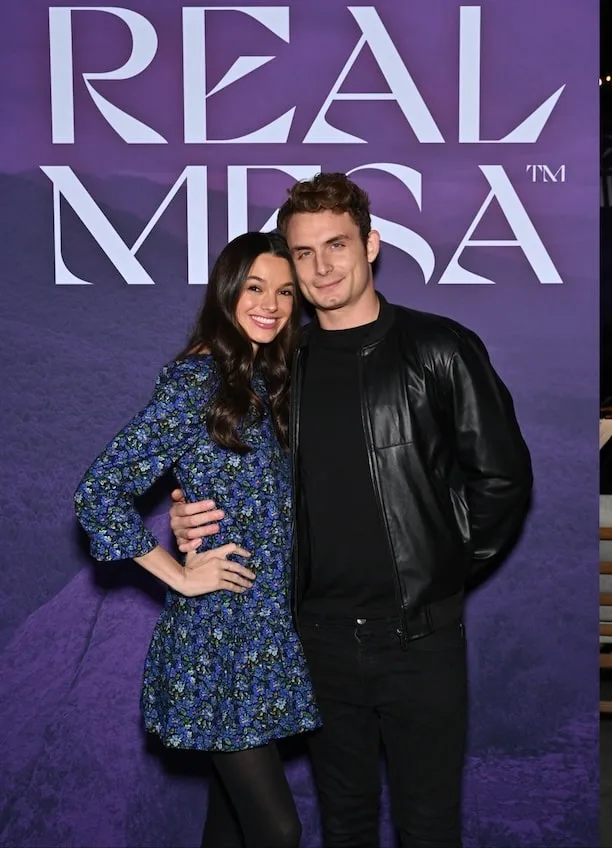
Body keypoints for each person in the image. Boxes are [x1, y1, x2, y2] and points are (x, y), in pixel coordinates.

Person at [167, 173, 534, 848]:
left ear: (371, 245)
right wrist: (189, 515)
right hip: (318, 643)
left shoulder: (439, 348)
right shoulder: (278, 368)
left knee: (429, 828)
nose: (321, 266)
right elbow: (235, 474)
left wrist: (438, 572)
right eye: (303, 253)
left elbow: (503, 480)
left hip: (420, 643)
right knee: (347, 826)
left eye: (336, 245)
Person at [74, 231, 320, 848]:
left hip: (263, 630)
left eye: (286, 292)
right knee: (278, 830)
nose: (272, 304)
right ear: (227, 290)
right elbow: (98, 493)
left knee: (230, 823)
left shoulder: (264, 377)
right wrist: (181, 573)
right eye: (256, 288)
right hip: (218, 637)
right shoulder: (195, 384)